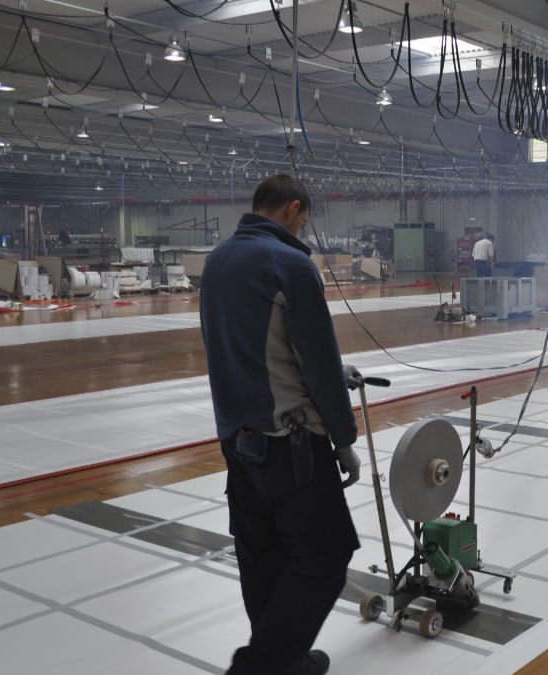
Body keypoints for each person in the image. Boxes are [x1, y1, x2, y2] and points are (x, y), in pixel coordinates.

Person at [199, 174, 363, 675]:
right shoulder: (290, 263)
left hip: (236, 441)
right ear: (294, 209)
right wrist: (343, 438)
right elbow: (314, 360)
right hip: (289, 443)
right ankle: (261, 667)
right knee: (326, 552)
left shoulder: (217, 260)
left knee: (263, 558)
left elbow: (253, 347)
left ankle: (286, 659)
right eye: (305, 219)